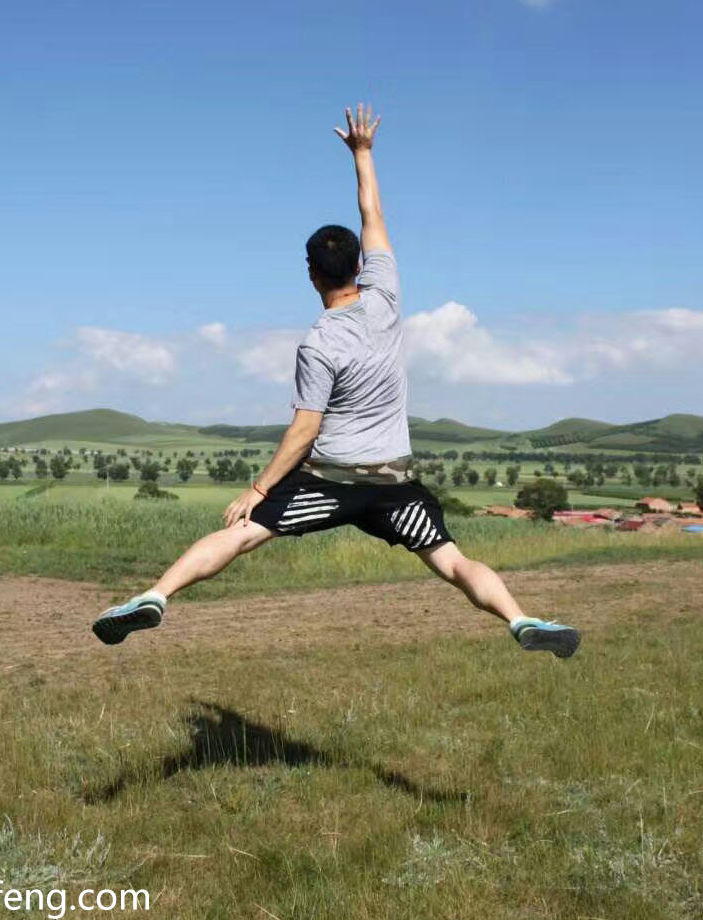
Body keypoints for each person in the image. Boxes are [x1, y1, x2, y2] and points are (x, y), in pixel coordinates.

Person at [93, 104, 580, 659]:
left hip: (328, 482)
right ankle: (520, 621)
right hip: (392, 481)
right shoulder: (387, 298)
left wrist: (257, 489)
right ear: (359, 267)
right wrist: (363, 153)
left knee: (242, 533)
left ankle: (156, 595)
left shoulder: (319, 341)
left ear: (310, 272)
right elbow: (372, 214)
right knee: (449, 558)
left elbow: (305, 430)